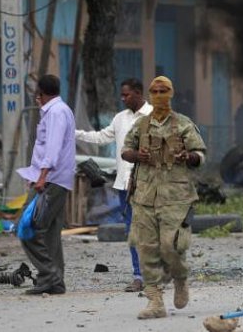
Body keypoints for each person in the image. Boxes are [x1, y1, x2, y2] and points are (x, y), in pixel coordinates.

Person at [121, 76, 207, 320]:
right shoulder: (141, 125)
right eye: (155, 91)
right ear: (149, 94)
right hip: (145, 195)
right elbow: (125, 151)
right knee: (146, 248)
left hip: (176, 197)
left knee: (172, 246)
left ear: (170, 94)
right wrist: (138, 155)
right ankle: (155, 301)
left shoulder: (183, 124)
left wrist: (186, 157)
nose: (158, 94)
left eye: (163, 90)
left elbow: (200, 155)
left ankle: (180, 278)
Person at [75, 78, 153, 292]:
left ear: (138, 93)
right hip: (124, 186)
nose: (123, 98)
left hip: (148, 186)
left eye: (126, 94)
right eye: (122, 94)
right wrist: (74, 133)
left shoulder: (154, 115)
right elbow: (102, 137)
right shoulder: (120, 119)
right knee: (132, 232)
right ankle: (139, 276)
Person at [16, 75, 76, 294]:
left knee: (27, 228)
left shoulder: (57, 113)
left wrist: (41, 177)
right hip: (54, 179)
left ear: (40, 93)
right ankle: (56, 282)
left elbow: (52, 147)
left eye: (37, 93)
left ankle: (48, 276)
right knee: (50, 232)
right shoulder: (58, 110)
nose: (36, 97)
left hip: (51, 180)